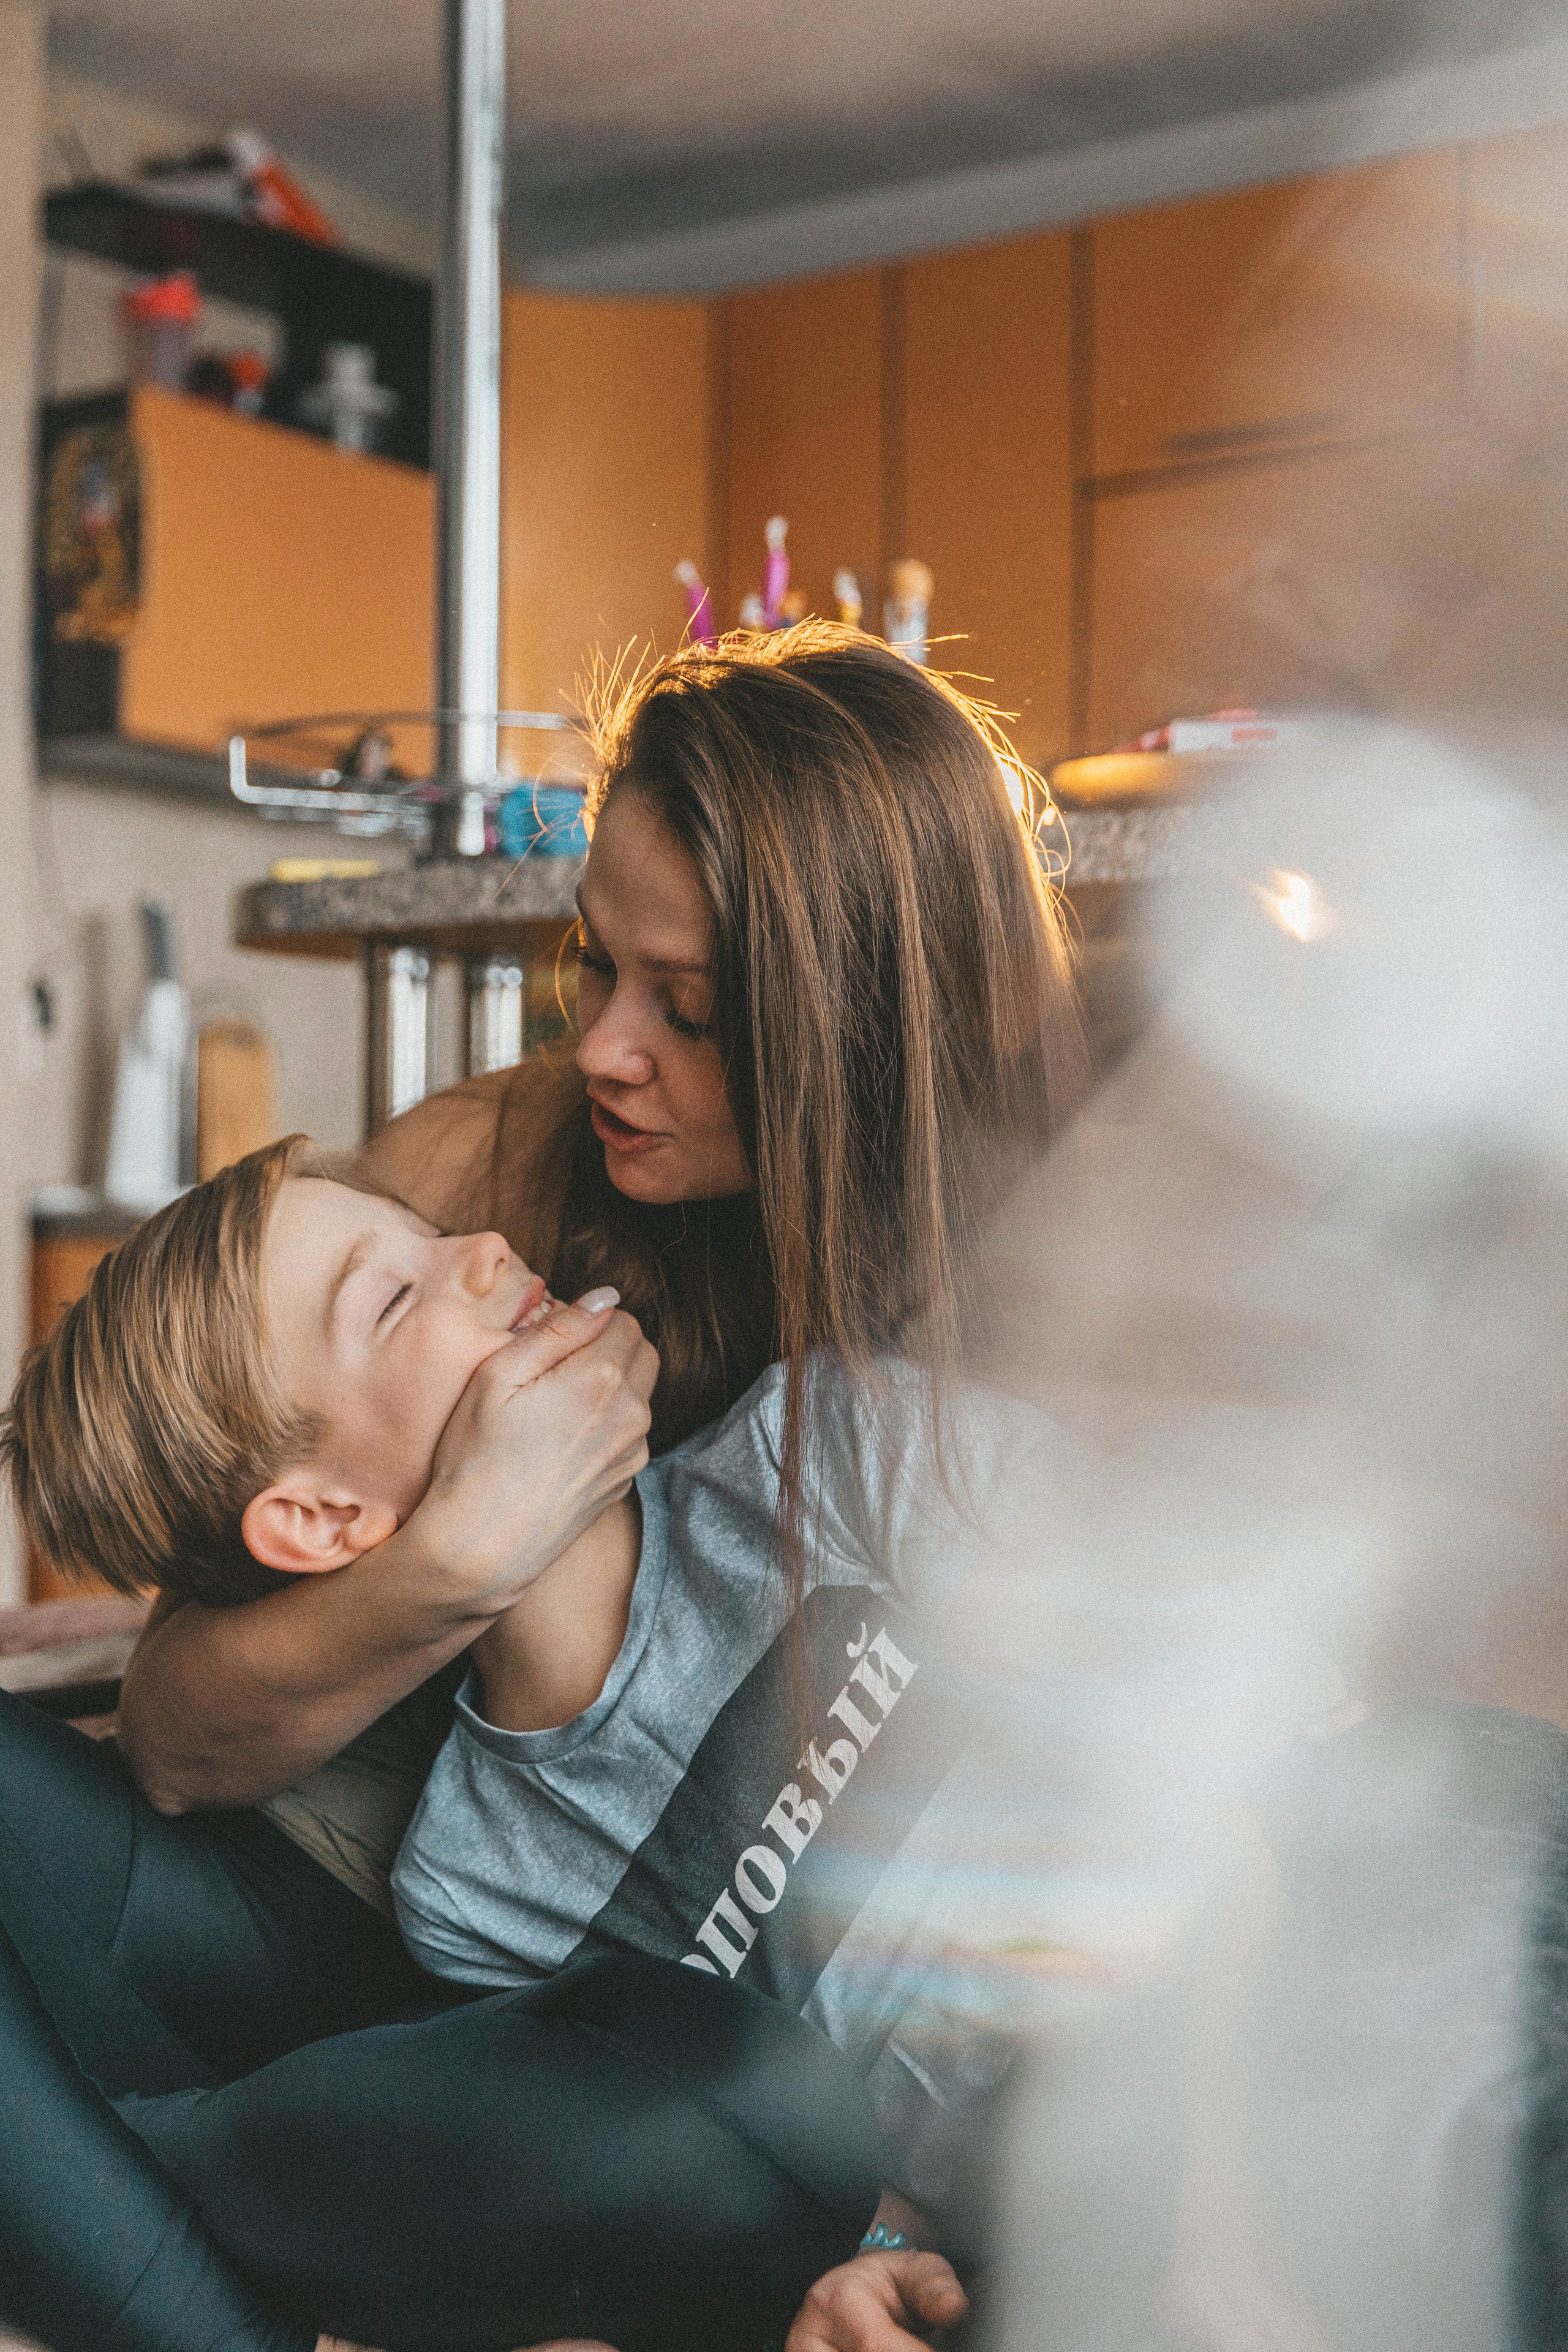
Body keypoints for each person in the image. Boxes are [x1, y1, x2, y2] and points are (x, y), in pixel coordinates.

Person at [7, 625, 1082, 2349]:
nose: (603, 1047)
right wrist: (457, 1561)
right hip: (412, 1936)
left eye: (696, 1009)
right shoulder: (492, 1176)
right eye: (595, 967)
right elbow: (182, 1729)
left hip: (682, 2053)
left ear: (867, 1034)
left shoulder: (940, 1390)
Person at [4, 1134, 1050, 2347]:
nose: (487, 1250)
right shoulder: (472, 1884)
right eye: (393, 1295)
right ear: (323, 1517)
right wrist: (890, 2253)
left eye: (433, 1236)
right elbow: (719, 2177)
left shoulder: (824, 1449)